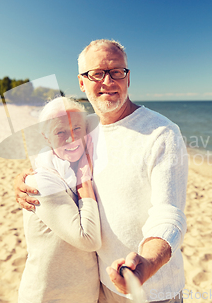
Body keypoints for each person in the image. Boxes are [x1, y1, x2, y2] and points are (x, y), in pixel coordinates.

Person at [15, 39, 188, 303]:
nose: (107, 81)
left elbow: (169, 213)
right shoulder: (86, 128)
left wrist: (148, 263)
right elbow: (52, 156)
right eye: (96, 73)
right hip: (102, 286)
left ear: (128, 78)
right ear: (82, 83)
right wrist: (24, 179)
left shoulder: (161, 133)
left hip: (152, 289)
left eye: (117, 71)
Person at [18, 97, 101, 303]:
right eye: (60, 132)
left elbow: (107, 119)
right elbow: (87, 239)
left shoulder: (79, 166)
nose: (71, 138)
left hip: (84, 295)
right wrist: (85, 183)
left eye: (77, 129)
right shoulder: (41, 180)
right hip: (47, 296)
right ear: (46, 137)